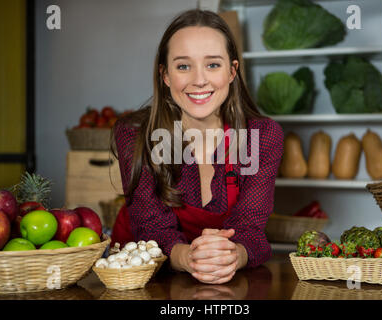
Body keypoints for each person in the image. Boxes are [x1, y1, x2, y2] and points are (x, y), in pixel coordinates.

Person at [111, 9, 283, 284]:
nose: (199, 80)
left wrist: (232, 256)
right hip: (143, 278)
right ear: (165, 75)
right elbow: (151, 226)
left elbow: (249, 228)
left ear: (232, 71)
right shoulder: (134, 134)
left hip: (225, 276)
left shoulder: (262, 136)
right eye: (183, 66)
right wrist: (188, 258)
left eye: (213, 64)